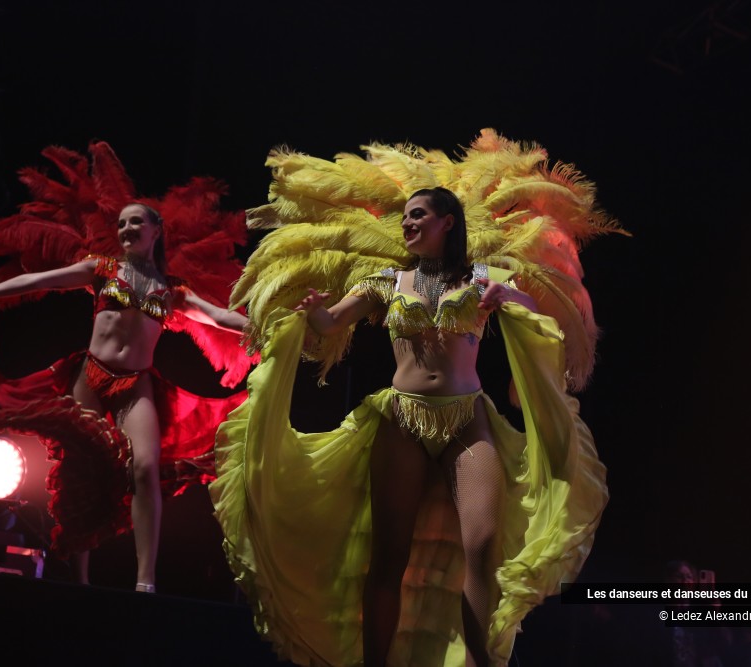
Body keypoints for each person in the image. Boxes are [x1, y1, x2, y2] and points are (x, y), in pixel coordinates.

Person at [213, 130, 613, 667]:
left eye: (418, 215)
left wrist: (508, 294)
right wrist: (312, 312)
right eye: (405, 216)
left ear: (448, 223)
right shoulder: (386, 282)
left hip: (467, 419)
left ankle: (479, 661)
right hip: (400, 419)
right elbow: (330, 323)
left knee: (482, 546)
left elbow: (531, 308)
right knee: (389, 557)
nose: (408, 223)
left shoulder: (482, 277)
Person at [0, 201, 248, 592]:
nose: (126, 229)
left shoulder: (172, 290)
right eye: (121, 223)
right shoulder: (101, 269)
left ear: (155, 231)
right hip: (90, 376)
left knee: (144, 468)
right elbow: (42, 280)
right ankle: (81, 581)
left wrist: (267, 327)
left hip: (135, 383)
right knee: (81, 471)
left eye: (135, 222)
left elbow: (221, 317)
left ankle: (145, 580)